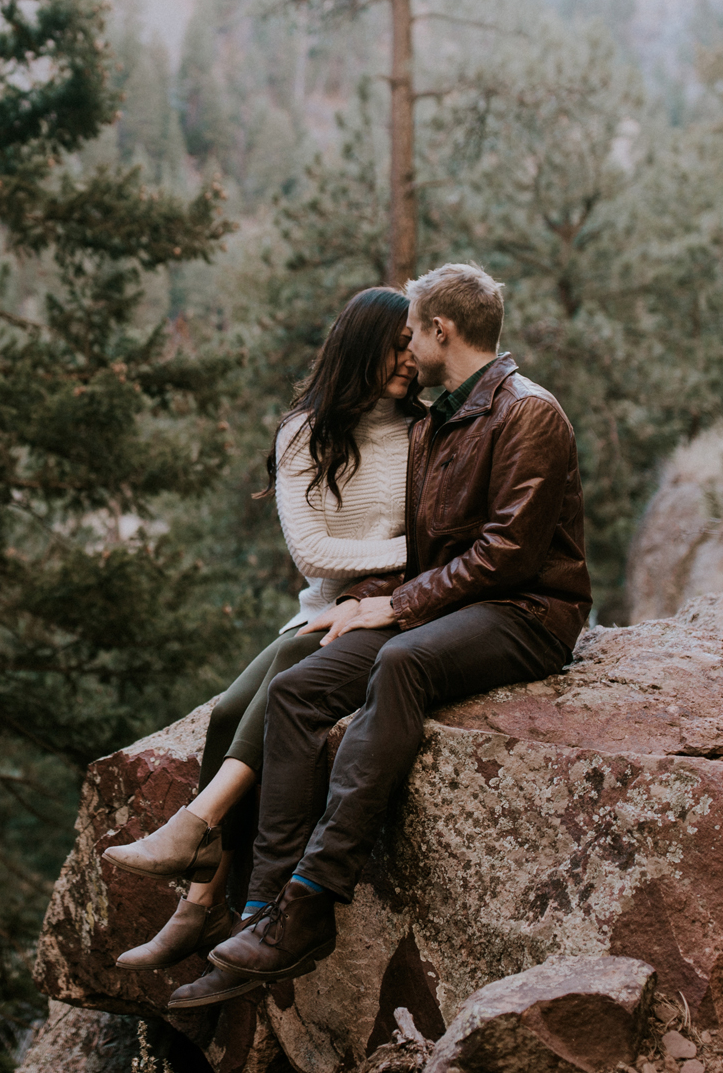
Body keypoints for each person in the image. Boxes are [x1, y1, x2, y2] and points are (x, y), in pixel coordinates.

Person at [170, 261, 593, 1008]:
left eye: (411, 334)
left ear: (441, 330)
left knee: (400, 662)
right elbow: (427, 546)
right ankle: (265, 917)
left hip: (531, 613)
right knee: (298, 690)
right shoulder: (438, 417)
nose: (406, 351)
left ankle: (312, 896)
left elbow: (505, 555)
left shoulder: (529, 412)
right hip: (455, 605)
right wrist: (365, 600)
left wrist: (394, 608)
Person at [99, 287, 420, 981]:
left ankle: (200, 868)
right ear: (359, 345)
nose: (408, 358)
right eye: (395, 344)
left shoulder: (424, 430)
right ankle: (201, 893)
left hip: (388, 610)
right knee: (228, 710)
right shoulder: (305, 431)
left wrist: (417, 569)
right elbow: (313, 555)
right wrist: (408, 552)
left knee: (280, 693)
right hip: (320, 609)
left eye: (414, 344)